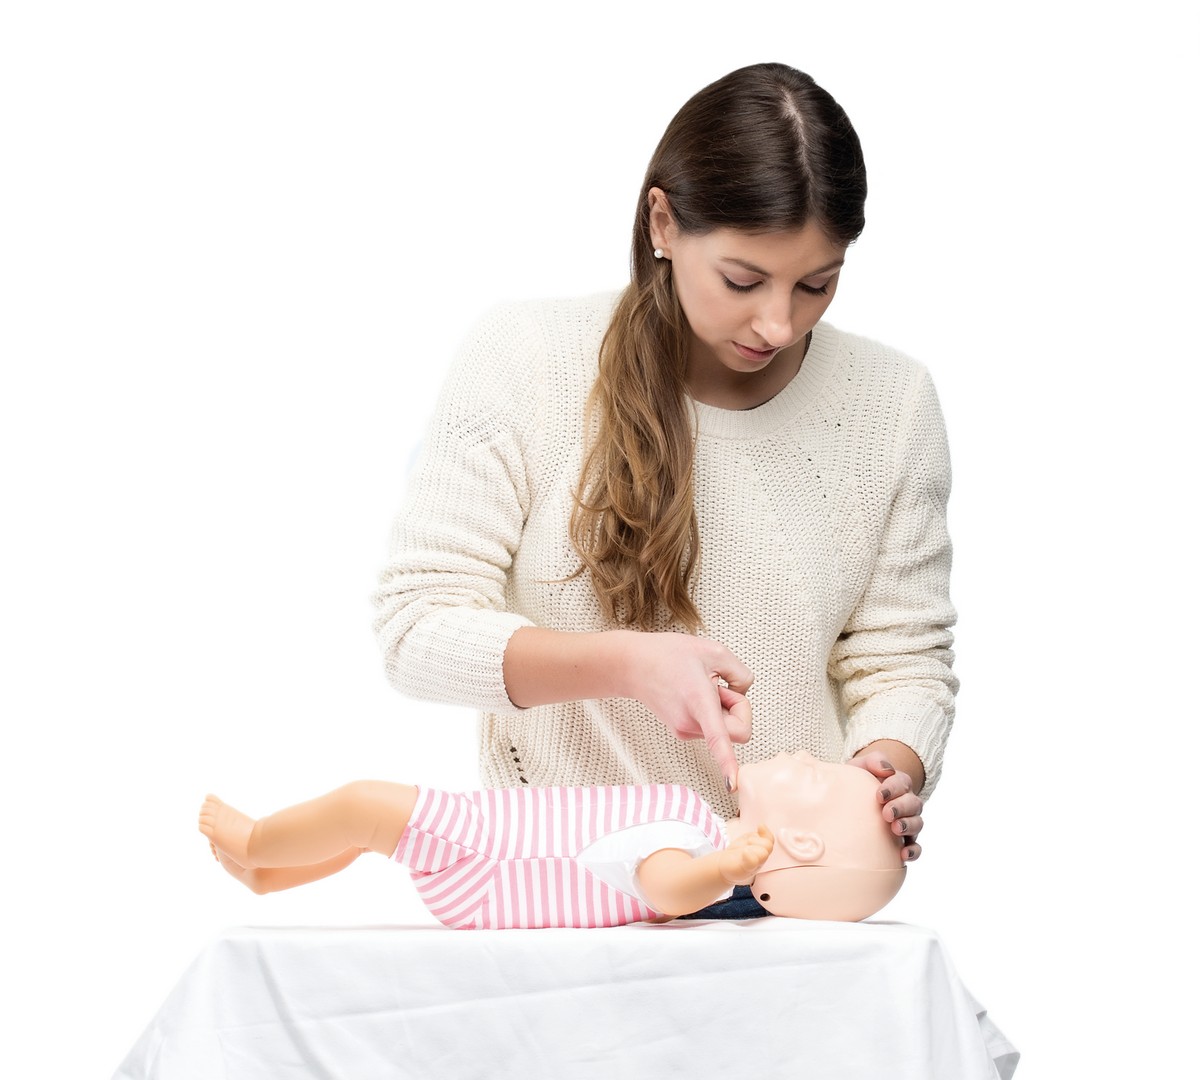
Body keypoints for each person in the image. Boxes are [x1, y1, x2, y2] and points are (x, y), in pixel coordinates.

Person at [372, 62, 956, 914]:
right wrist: (629, 664)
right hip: (560, 886)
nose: (778, 323)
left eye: (817, 284)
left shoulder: (891, 403)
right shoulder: (527, 358)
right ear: (663, 223)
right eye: (743, 280)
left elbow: (902, 661)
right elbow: (417, 629)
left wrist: (887, 769)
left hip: (783, 896)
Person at [197, 751, 905, 928]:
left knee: (363, 807)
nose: (802, 756)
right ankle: (270, 875)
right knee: (369, 835)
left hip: (491, 861)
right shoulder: (697, 823)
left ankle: (257, 842)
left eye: (814, 774)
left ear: (800, 846)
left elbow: (665, 891)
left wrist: (723, 870)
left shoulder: (699, 846)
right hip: (488, 843)